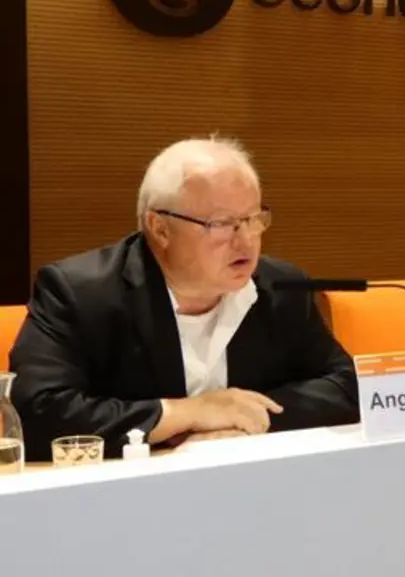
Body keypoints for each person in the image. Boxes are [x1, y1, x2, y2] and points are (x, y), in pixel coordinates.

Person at [9, 137, 359, 460]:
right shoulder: (81, 293)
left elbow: (347, 386)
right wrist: (186, 414)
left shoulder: (279, 287)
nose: (246, 241)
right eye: (221, 224)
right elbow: (34, 412)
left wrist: (245, 419)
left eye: (253, 219)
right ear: (160, 228)